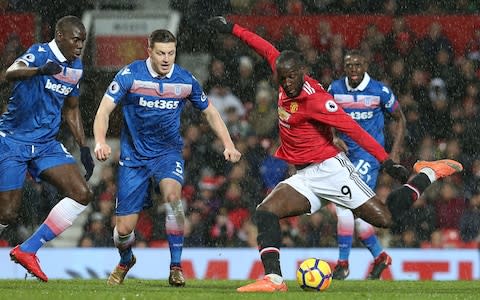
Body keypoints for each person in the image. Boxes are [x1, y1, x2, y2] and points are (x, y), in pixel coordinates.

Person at [208, 16, 463, 292]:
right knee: (265, 212)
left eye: (293, 77)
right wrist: (232, 28)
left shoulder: (316, 100)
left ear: (302, 72)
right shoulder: (283, 71)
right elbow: (264, 46)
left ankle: (428, 173)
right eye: (282, 78)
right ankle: (274, 279)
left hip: (331, 170)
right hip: (304, 175)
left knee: (386, 219)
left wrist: (386, 161)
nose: (288, 83)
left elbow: (354, 130)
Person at [93, 29, 241, 287]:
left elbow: (211, 113)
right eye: (160, 52)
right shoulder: (130, 75)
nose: (166, 58)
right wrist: (100, 141)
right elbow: (104, 110)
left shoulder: (185, 80)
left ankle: (175, 266)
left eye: (171, 53)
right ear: (148, 50)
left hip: (168, 153)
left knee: (174, 199)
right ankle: (126, 259)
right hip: (134, 157)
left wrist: (228, 143)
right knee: (124, 229)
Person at [0, 15, 94, 282]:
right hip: (13, 140)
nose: (79, 45)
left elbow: (72, 109)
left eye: (83, 41)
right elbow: (10, 72)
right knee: (6, 213)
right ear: (60, 36)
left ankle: (28, 250)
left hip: (46, 144)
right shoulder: (39, 53)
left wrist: (84, 148)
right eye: (76, 39)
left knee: (82, 193)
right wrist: (40, 71)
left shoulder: (76, 67)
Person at [327, 49, 407, 280]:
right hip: (343, 156)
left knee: (344, 205)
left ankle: (342, 263)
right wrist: (332, 137)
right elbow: (324, 115)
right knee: (361, 217)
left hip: (368, 157)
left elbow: (400, 118)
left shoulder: (379, 91)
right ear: (344, 67)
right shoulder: (335, 89)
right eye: (349, 65)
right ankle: (381, 256)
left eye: (358, 65)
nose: (353, 70)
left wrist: (394, 154)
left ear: (366, 65)